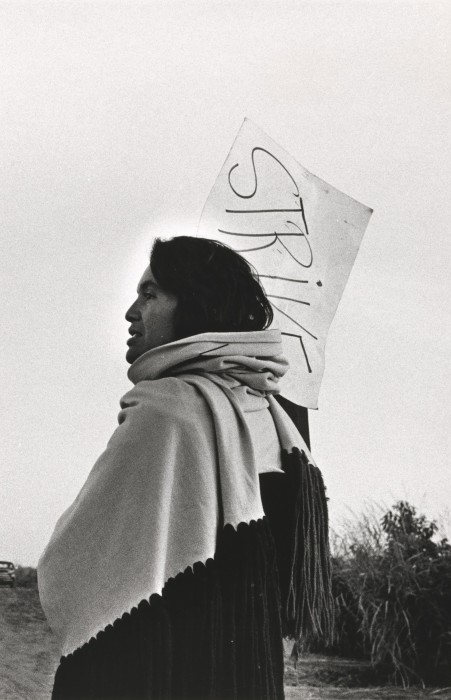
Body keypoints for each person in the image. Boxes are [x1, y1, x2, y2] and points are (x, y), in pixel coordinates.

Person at [38, 236, 333, 700]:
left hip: (169, 673)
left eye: (150, 294)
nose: (132, 312)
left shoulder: (168, 410)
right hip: (244, 675)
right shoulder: (281, 422)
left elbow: (75, 561)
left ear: (195, 302)